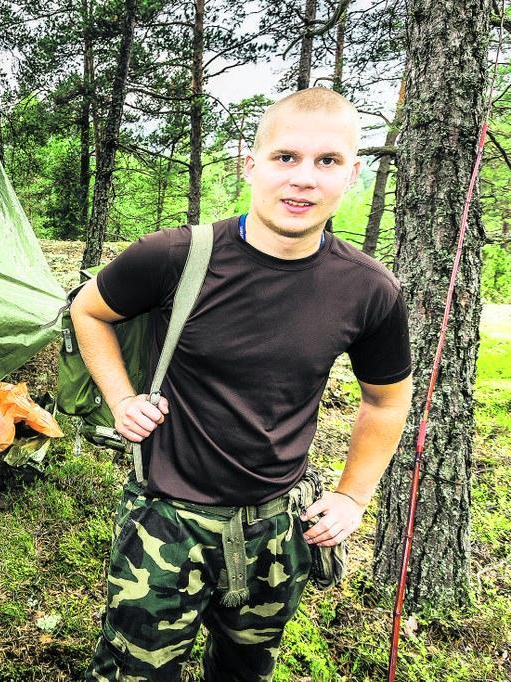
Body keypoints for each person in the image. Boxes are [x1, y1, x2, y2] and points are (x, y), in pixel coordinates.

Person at [71, 87, 414, 681]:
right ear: (249, 165)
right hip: (166, 523)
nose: (303, 179)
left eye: (327, 162)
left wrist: (353, 496)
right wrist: (122, 399)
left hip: (276, 531)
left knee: (244, 673)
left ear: (352, 175)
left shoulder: (367, 290)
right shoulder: (174, 256)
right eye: (286, 158)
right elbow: (89, 310)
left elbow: (385, 401)